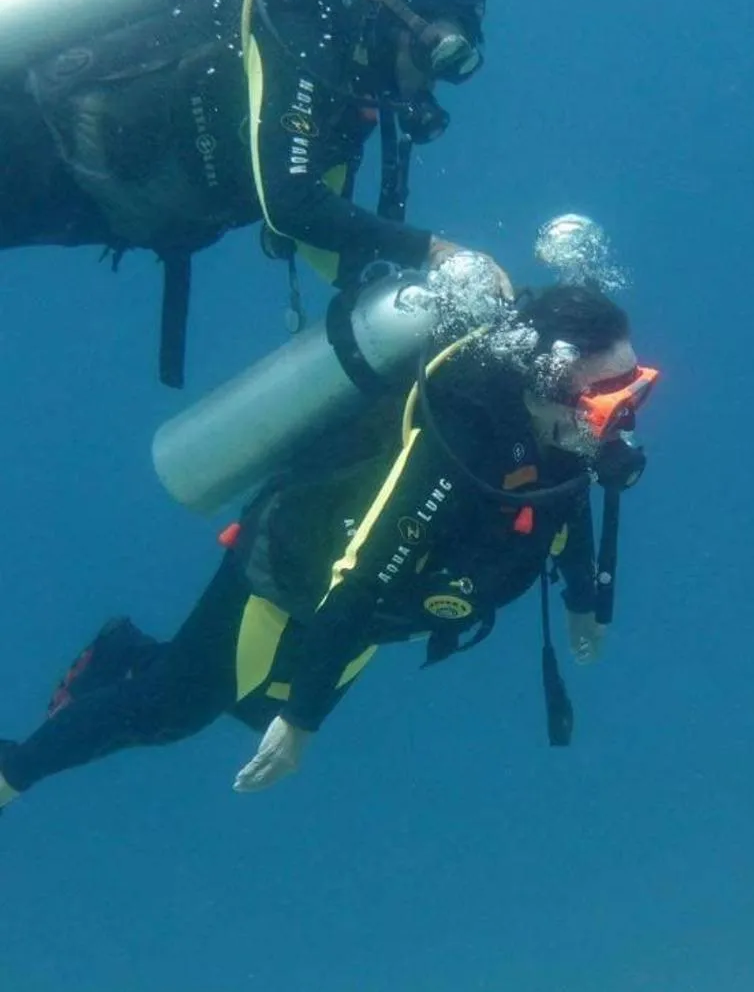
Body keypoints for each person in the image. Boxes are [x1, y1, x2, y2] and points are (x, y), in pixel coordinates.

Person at [0, 286, 658, 811]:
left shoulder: (557, 437)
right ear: (548, 378)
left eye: (636, 391)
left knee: (246, 705)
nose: (624, 421)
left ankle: (128, 653)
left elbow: (562, 508)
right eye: (610, 401)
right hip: (292, 578)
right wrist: (303, 721)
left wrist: (582, 600)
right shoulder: (459, 441)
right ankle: (15, 770)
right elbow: (364, 570)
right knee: (173, 709)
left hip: (361, 617)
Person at [0, 0, 501, 382]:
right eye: (441, 51)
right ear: (401, 17)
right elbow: (291, 203)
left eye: (455, 65)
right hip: (37, 135)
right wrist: (433, 250)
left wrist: (432, 302)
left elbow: (331, 246)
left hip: (89, 202)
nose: (434, 80)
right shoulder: (309, 26)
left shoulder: (350, 101)